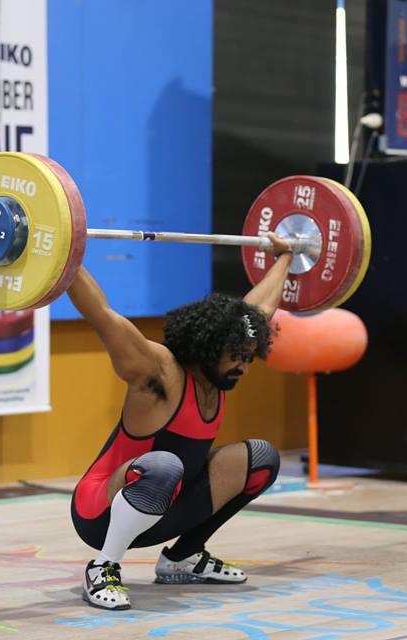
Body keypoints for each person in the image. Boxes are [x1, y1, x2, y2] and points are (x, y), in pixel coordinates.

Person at [66, 231, 293, 610]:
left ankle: (182, 558)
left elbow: (257, 311)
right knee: (164, 465)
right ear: (206, 345)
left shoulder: (219, 372)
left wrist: (285, 257)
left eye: (249, 356)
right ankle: (103, 566)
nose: (243, 366)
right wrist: (63, 255)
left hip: (166, 505)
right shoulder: (159, 373)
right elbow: (102, 315)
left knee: (261, 458)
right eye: (235, 355)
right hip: (101, 510)